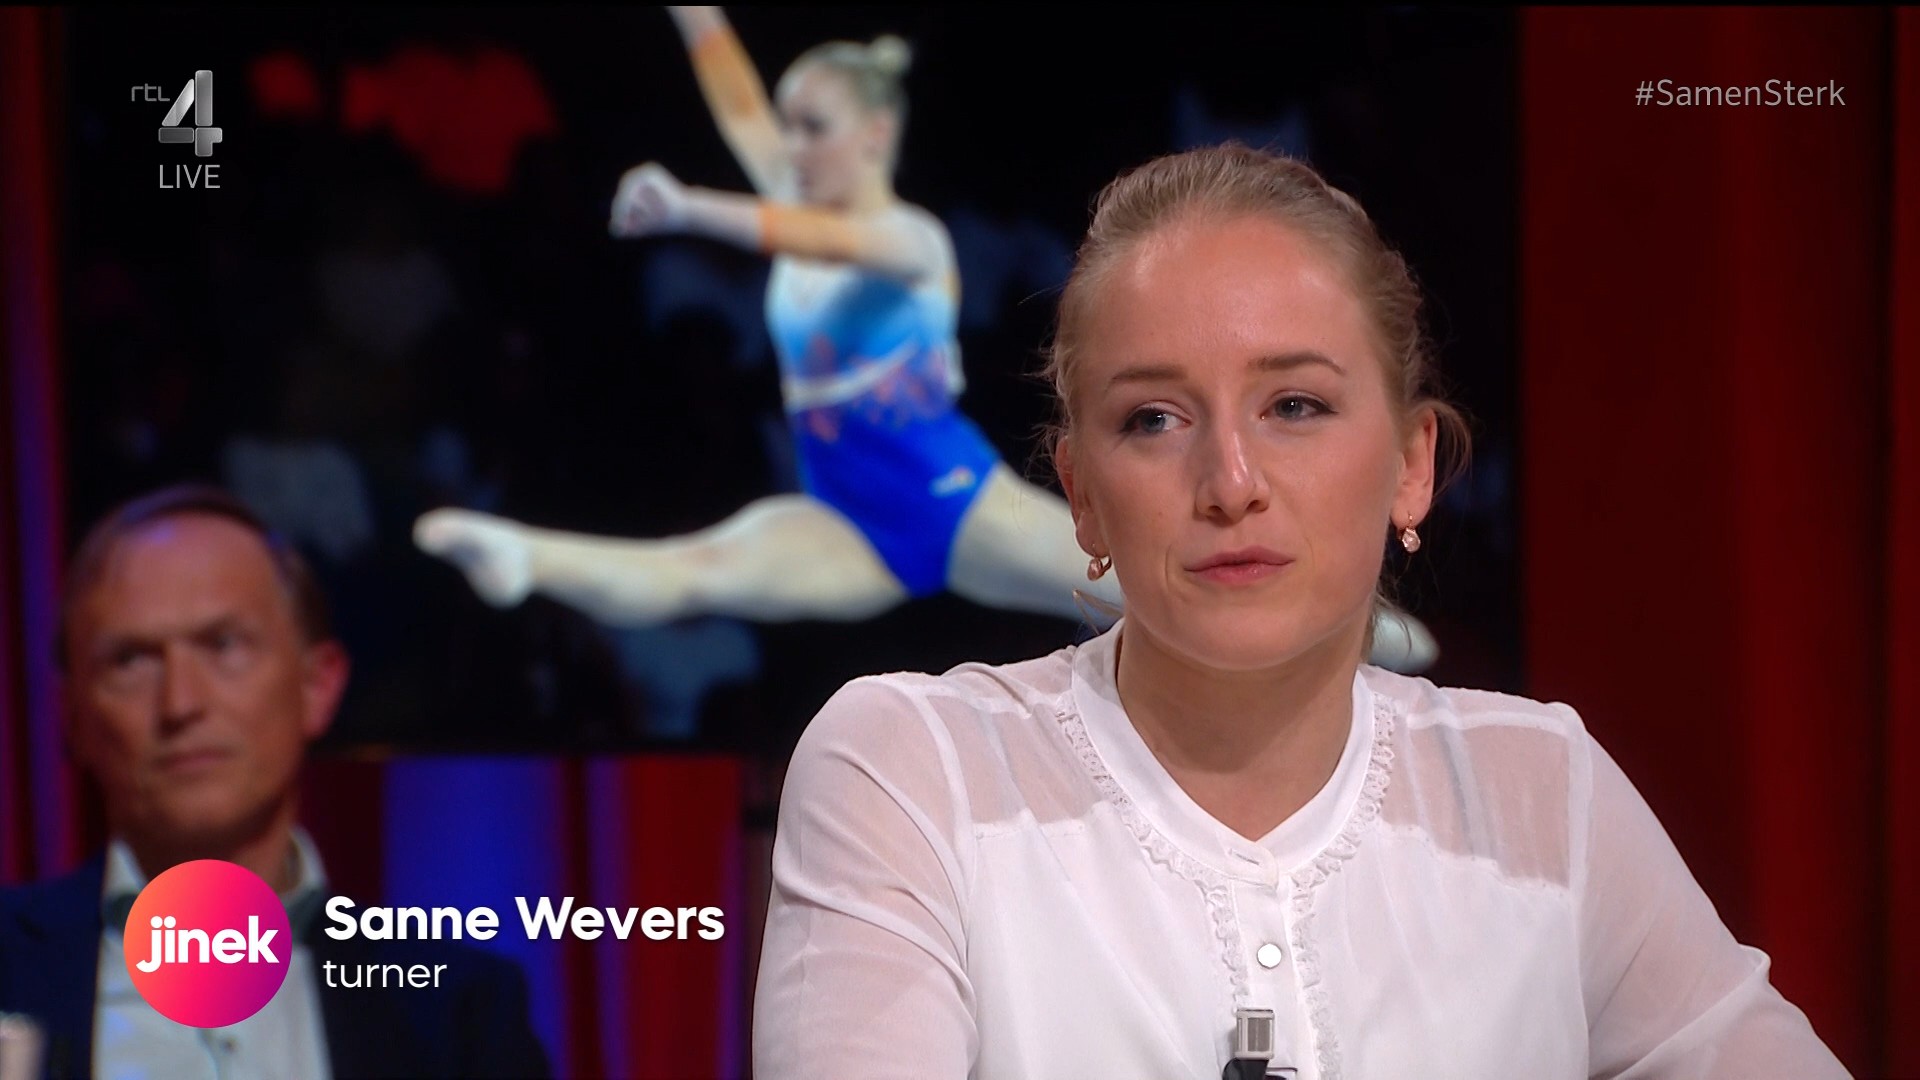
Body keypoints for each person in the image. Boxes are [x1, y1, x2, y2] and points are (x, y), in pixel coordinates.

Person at [749, 144, 1846, 1078]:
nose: (1231, 483)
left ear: (1411, 465)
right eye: (1154, 419)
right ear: (1082, 496)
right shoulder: (915, 770)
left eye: (1295, 405)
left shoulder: (1538, 789)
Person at [411, 6, 1440, 673]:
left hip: (947, 499)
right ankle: (522, 556)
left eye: (812, 129)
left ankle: (1372, 636)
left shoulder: (907, 238)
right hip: (846, 512)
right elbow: (739, 107)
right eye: (790, 128)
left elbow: (816, 237)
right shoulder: (795, 197)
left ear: (873, 137)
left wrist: (686, 208)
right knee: (698, 570)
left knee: (1144, 587)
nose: (789, 144)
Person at [0, 485, 550, 1080]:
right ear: (74, 716)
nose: (181, 703)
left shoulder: (458, 1011)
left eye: (223, 645)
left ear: (318, 686)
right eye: (131, 660)